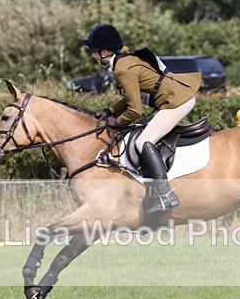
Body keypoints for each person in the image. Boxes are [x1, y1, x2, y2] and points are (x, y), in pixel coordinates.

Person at [81, 24, 202, 216]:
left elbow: (135, 110)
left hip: (176, 101)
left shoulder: (123, 69)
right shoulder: (126, 61)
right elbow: (131, 98)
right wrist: (110, 110)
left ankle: (166, 195)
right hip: (177, 96)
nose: (93, 56)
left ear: (104, 52)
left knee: (143, 141)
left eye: (93, 52)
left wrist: (118, 123)